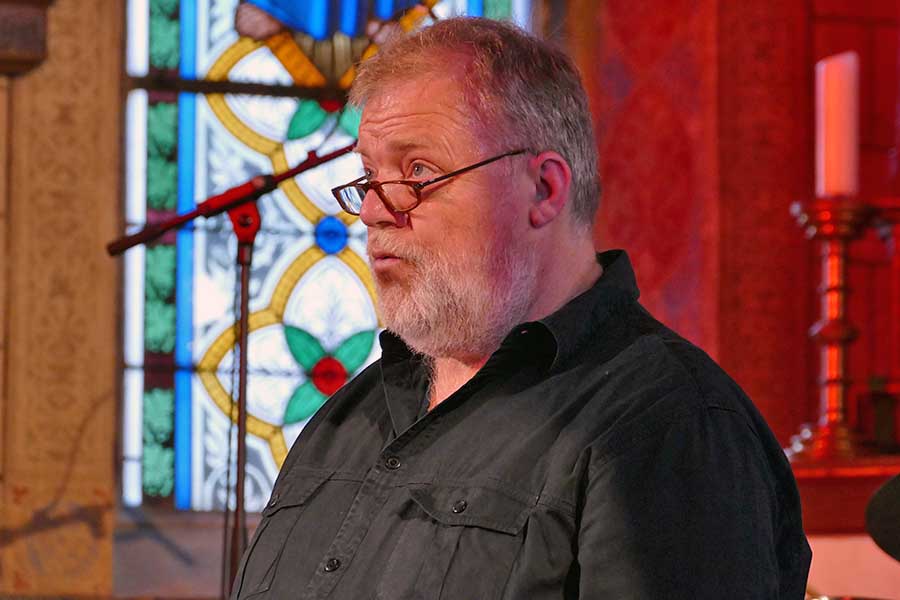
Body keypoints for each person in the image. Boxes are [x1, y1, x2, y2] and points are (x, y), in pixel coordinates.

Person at [230, 17, 811, 600]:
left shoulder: (671, 426)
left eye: (417, 172)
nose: (373, 211)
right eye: (368, 175)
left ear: (544, 190)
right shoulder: (343, 423)